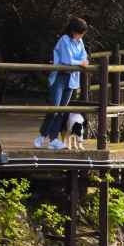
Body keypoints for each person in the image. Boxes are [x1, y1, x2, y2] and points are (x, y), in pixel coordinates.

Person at [36, 18, 90, 149]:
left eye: (83, 33)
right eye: (80, 33)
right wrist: (80, 63)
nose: (81, 36)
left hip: (72, 78)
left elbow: (84, 56)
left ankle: (53, 139)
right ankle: (42, 136)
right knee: (55, 108)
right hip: (60, 77)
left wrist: (81, 61)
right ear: (73, 31)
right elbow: (67, 60)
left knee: (62, 110)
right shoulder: (64, 40)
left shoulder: (80, 41)